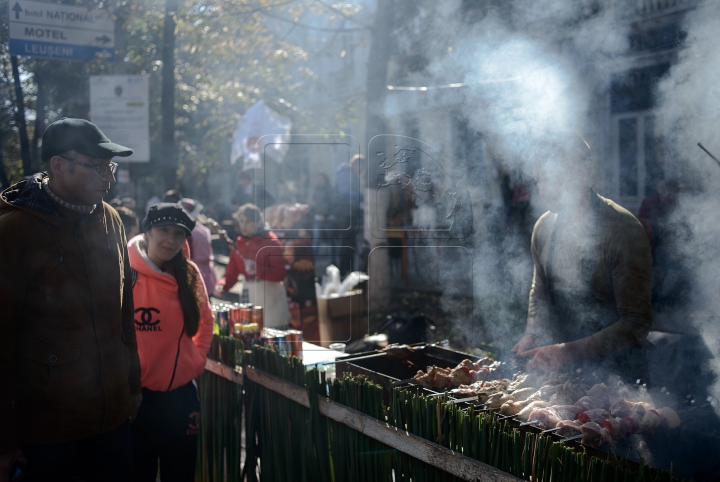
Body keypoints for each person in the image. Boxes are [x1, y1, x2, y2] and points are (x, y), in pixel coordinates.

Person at [0, 118, 141, 482]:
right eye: (97, 167)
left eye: (111, 167)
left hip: (114, 420)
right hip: (48, 431)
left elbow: (126, 312)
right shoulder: (14, 230)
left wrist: (132, 388)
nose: (108, 178)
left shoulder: (111, 219)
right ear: (58, 166)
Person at [511, 135, 653, 379]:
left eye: (552, 179)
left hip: (620, 375)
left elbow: (635, 323)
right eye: (539, 180)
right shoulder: (543, 228)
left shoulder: (623, 230)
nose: (543, 190)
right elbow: (540, 290)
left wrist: (566, 352)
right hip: (564, 374)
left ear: (582, 174)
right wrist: (531, 333)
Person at [128, 203, 214, 482]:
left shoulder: (188, 273)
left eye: (179, 234)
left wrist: (197, 360)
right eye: (163, 230)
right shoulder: (124, 272)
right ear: (147, 233)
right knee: (139, 472)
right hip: (136, 398)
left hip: (181, 397)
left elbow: (206, 320)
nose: (171, 239)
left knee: (181, 473)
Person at [214, 203, 289, 328]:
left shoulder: (271, 242)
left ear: (258, 223)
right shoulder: (238, 243)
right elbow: (231, 274)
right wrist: (222, 285)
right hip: (250, 297)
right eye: (241, 221)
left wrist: (258, 270)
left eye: (248, 222)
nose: (243, 226)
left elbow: (280, 274)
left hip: (271, 299)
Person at [181, 198, 217, 296]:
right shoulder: (204, 229)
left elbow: (188, 255)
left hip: (194, 272)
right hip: (207, 271)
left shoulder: (189, 231)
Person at [310, 173, 336, 259]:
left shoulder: (330, 190)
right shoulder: (316, 190)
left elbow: (333, 204)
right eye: (318, 179)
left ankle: (333, 260)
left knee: (332, 240)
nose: (319, 181)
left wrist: (327, 215)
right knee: (316, 240)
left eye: (321, 179)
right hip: (318, 218)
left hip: (329, 219)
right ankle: (313, 260)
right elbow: (314, 204)